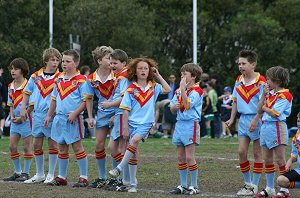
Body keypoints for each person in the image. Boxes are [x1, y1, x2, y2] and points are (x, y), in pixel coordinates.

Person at [108, 57, 171, 193]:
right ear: (135, 71)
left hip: (145, 124)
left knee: (135, 140)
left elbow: (168, 89)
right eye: (140, 68)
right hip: (130, 123)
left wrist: (158, 75)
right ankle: (132, 183)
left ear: (149, 71)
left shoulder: (154, 87)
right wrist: (125, 128)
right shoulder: (131, 89)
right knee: (133, 153)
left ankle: (119, 168)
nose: (143, 70)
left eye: (146, 68)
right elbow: (125, 110)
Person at [44, 49, 89, 187]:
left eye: (68, 61)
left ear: (76, 63)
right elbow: (54, 100)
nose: (64, 64)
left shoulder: (82, 80)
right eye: (63, 61)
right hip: (59, 118)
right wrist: (48, 115)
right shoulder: (58, 79)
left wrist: (75, 113)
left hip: (73, 119)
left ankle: (84, 177)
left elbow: (85, 101)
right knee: (62, 147)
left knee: (77, 147)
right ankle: (62, 177)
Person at [226, 50, 266, 196]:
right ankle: (247, 183)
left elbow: (263, 104)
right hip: (243, 120)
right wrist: (232, 118)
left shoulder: (261, 82)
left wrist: (256, 119)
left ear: (253, 64)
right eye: (239, 64)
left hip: (257, 119)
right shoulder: (238, 79)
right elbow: (235, 100)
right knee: (241, 152)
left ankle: (254, 185)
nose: (240, 66)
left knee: (257, 153)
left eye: (243, 63)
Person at [19, 48, 62, 184]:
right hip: (37, 115)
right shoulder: (35, 76)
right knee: (36, 143)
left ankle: (50, 174)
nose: (55, 63)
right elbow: (26, 91)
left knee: (52, 143)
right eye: (52, 60)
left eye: (57, 60)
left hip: (52, 115)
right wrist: (23, 108)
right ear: (45, 61)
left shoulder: (60, 77)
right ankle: (39, 174)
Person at [255, 66, 292, 198]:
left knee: (280, 160)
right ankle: (269, 188)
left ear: (276, 80)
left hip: (277, 127)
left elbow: (275, 113)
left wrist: (265, 107)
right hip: (265, 127)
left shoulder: (285, 95)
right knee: (268, 159)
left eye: (269, 79)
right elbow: (259, 110)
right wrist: (263, 96)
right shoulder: (269, 93)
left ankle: (284, 189)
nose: (266, 82)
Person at [169, 63, 203, 195]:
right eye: (181, 74)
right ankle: (183, 185)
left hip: (191, 124)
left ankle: (194, 185)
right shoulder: (178, 90)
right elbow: (171, 105)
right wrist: (173, 107)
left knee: (189, 157)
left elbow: (188, 104)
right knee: (180, 157)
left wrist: (183, 89)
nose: (182, 77)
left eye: (185, 75)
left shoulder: (197, 91)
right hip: (180, 124)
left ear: (193, 76)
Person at [84, 46, 114, 188]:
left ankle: (116, 178)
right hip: (102, 115)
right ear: (99, 61)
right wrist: (90, 117)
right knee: (99, 145)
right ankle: (102, 177)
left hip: (117, 113)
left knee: (114, 147)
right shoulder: (91, 79)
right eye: (108, 58)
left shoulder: (117, 75)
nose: (111, 61)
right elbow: (89, 99)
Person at [101, 49, 131, 190]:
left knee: (119, 147)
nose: (112, 65)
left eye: (115, 63)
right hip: (119, 115)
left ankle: (125, 179)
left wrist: (110, 104)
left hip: (123, 115)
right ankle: (122, 178)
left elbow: (125, 98)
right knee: (115, 147)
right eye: (111, 62)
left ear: (124, 63)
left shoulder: (124, 77)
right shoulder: (118, 76)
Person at [3, 58, 33, 182]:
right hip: (15, 122)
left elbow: (32, 104)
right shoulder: (10, 85)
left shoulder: (28, 85)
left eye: (16, 69)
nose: (12, 71)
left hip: (26, 121)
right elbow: (10, 104)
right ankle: (17, 172)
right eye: (11, 68)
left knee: (27, 147)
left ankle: (26, 173)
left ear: (22, 70)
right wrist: (12, 116)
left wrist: (23, 116)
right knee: (12, 146)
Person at [275, 112, 300, 197]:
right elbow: (295, 154)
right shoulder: (296, 137)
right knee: (281, 180)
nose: (299, 124)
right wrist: (290, 160)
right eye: (298, 121)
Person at [0, 67, 8, 139]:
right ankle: (1, 129)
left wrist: (4, 101)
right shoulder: (1, 79)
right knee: (2, 116)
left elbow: (4, 91)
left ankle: (1, 130)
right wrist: (4, 101)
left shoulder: (2, 79)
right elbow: (4, 91)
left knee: (2, 116)